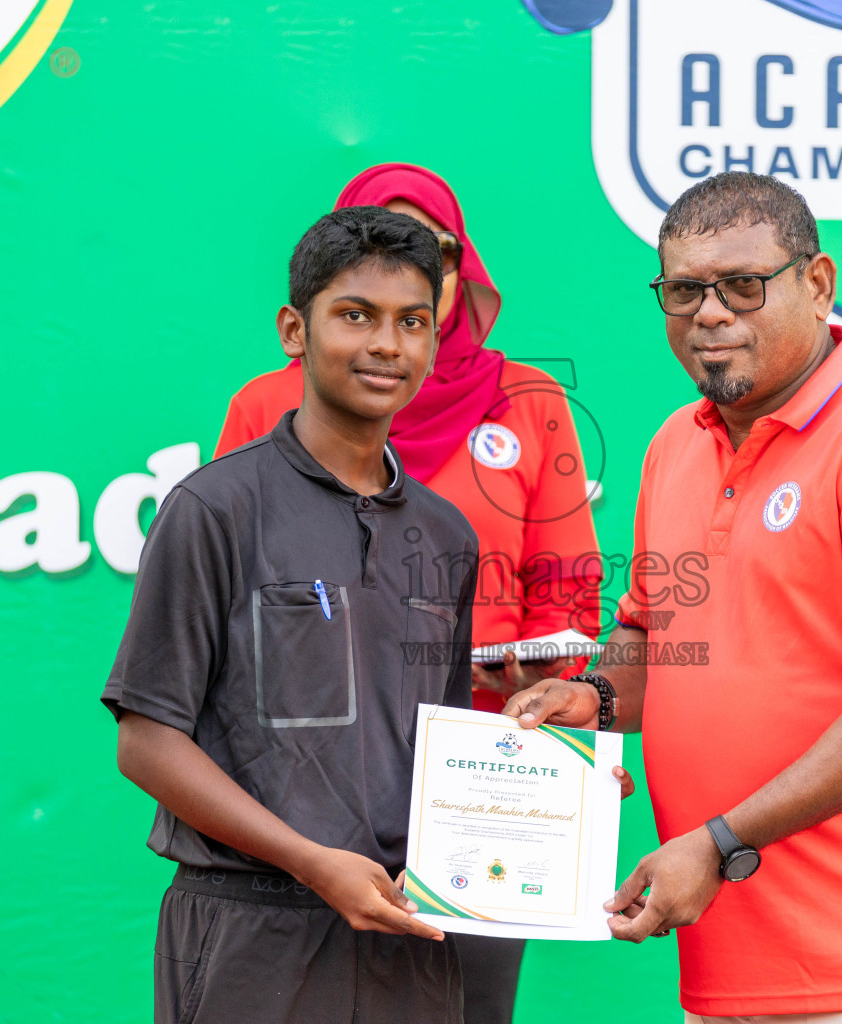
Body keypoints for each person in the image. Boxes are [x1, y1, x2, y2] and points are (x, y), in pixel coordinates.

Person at [508, 172, 842, 1022]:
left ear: (817, 284)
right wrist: (590, 697)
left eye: (742, 284)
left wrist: (722, 841)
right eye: (685, 290)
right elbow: (654, 645)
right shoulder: (675, 446)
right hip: (729, 963)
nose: (710, 313)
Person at [214, 163, 604, 1024]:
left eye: (430, 256)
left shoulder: (529, 403)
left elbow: (568, 594)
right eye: (363, 290)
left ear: (459, 278)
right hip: (310, 789)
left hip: (483, 780)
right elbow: (239, 617)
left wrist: (554, 723)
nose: (388, 329)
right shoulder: (266, 407)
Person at [102, 206, 478, 1023]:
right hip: (248, 928)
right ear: (293, 331)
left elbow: (445, 744)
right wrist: (311, 862)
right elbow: (147, 740)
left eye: (412, 322)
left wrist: (552, 792)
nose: (387, 344)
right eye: (356, 315)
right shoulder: (214, 509)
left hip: (405, 931)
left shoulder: (447, 538)